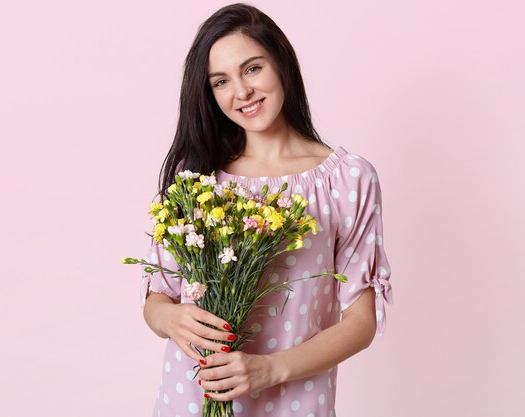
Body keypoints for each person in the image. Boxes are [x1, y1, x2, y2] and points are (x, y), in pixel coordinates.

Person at [139, 3, 393, 416]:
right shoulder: (198, 177)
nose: (241, 92)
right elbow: (157, 299)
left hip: (293, 402)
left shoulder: (347, 180)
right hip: (191, 400)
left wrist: (269, 369)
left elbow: (361, 322)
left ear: (281, 64)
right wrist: (171, 320)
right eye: (221, 81)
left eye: (252, 69)